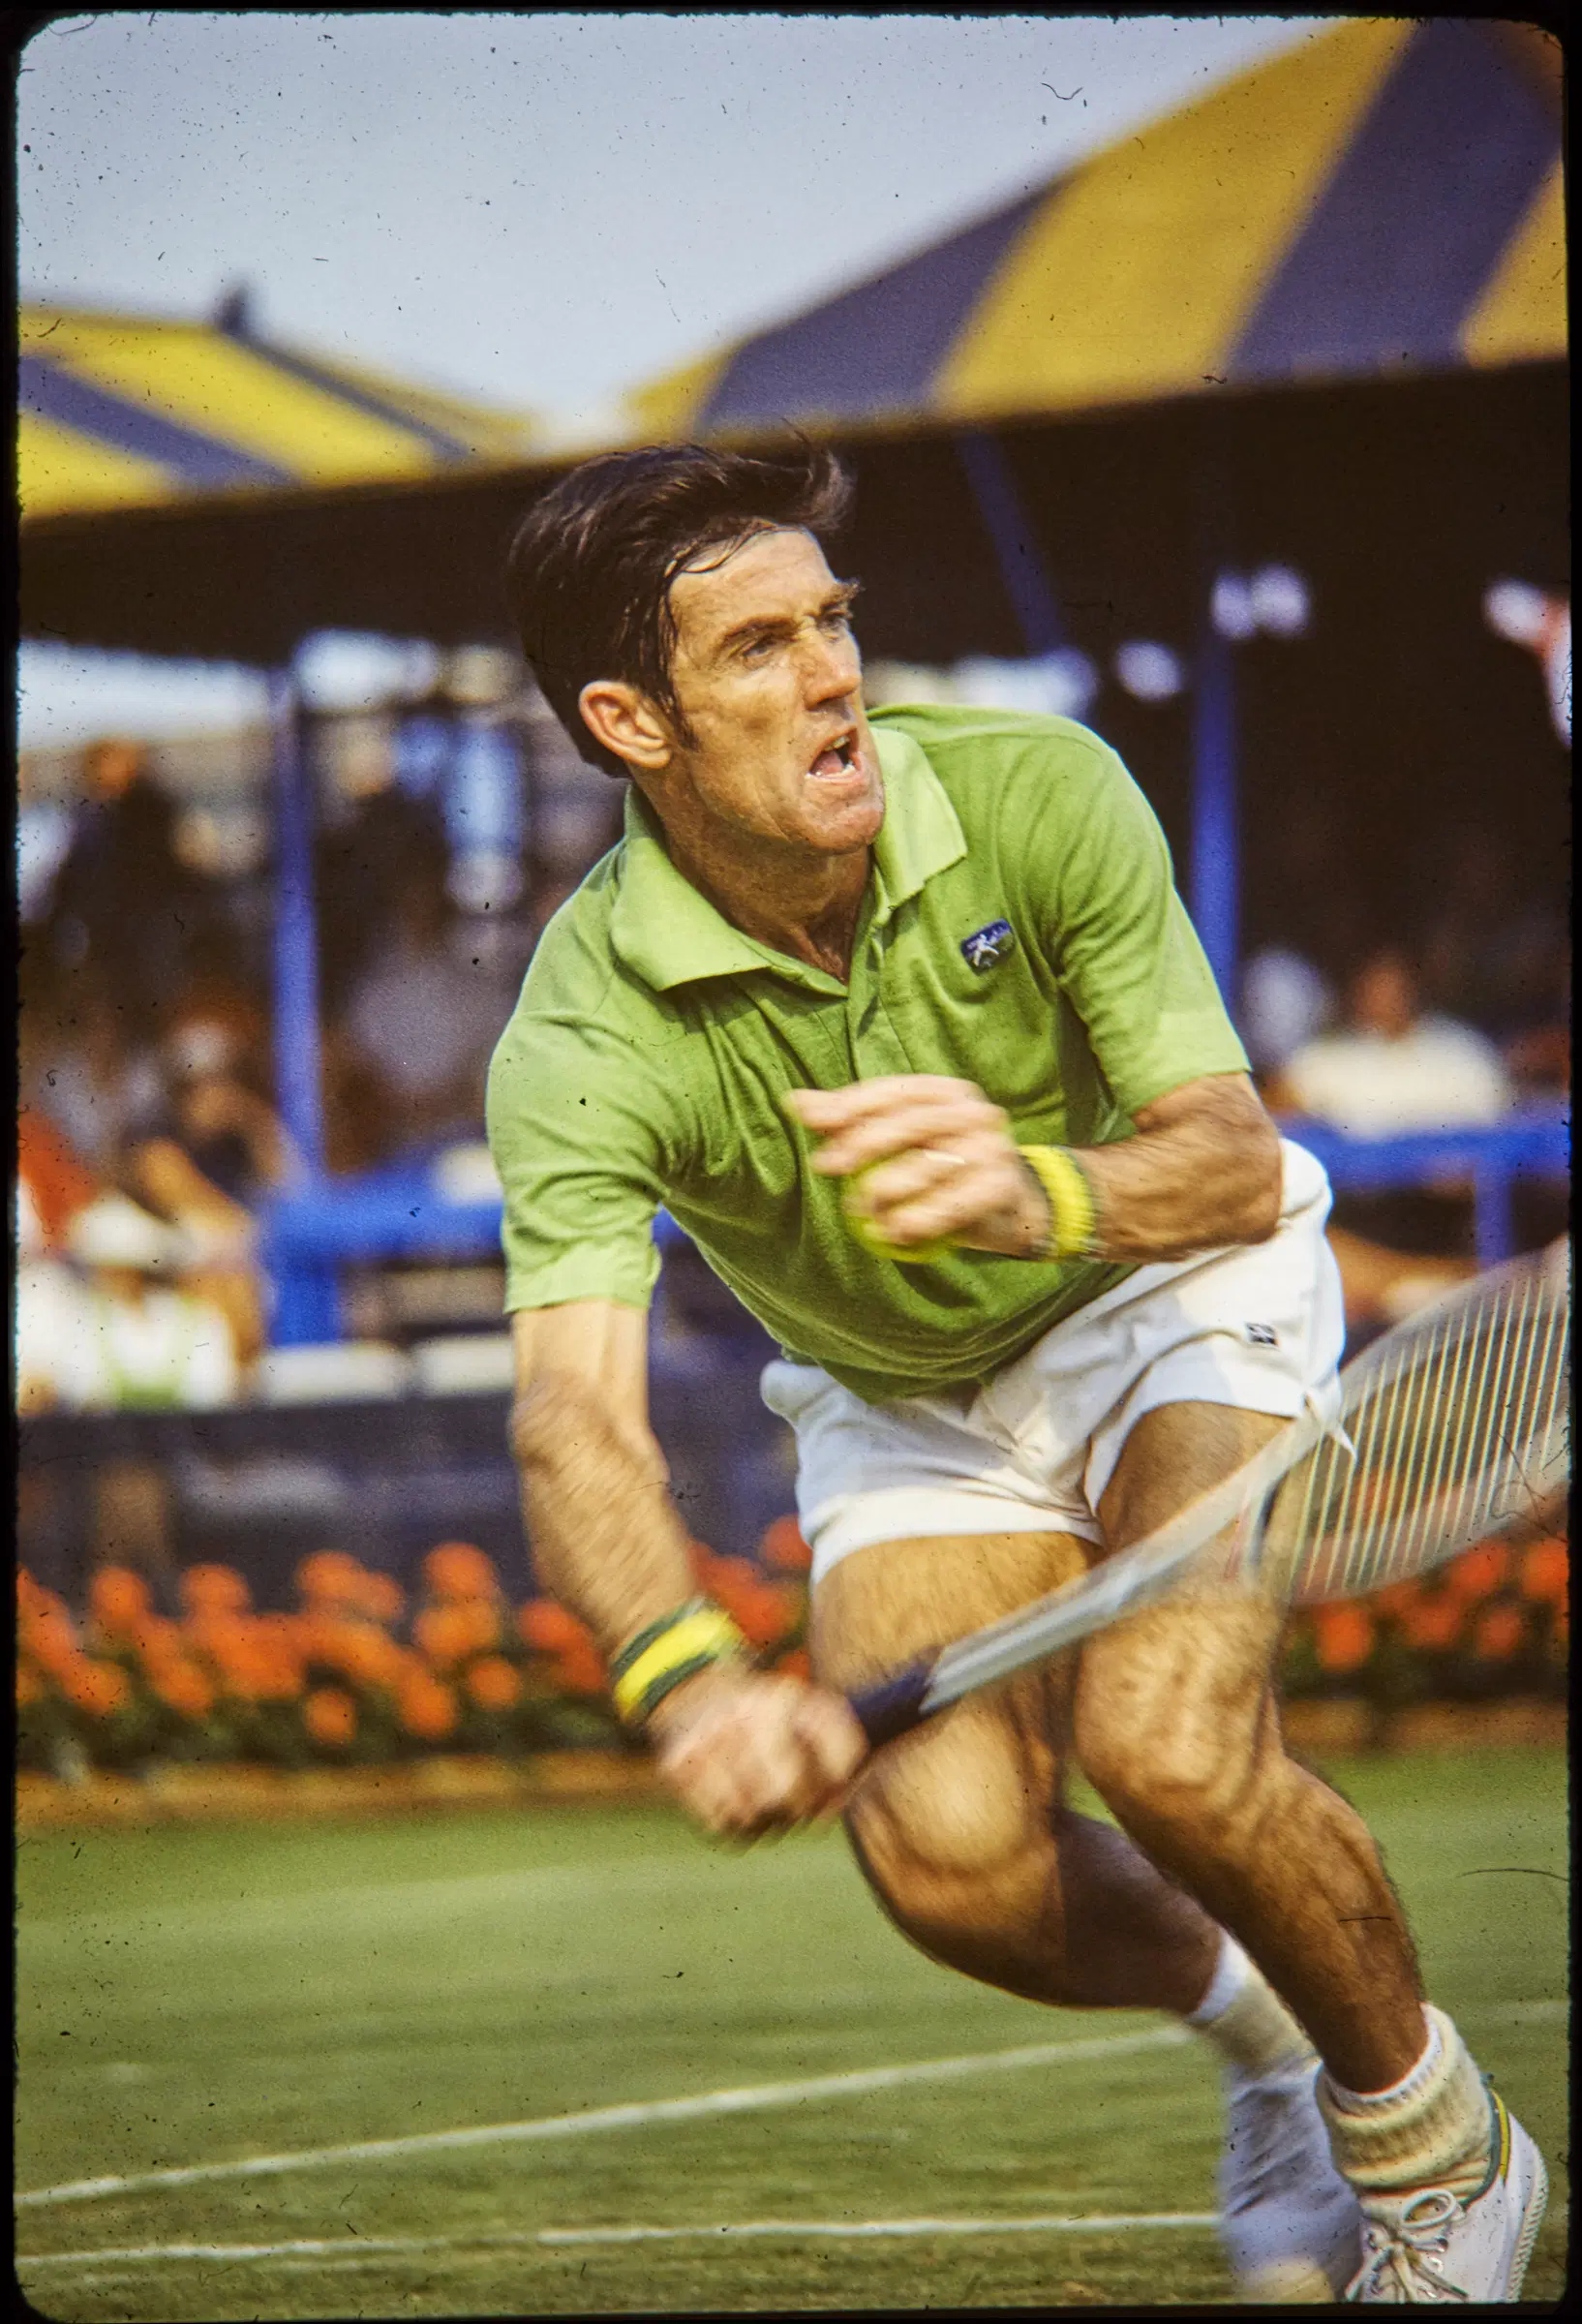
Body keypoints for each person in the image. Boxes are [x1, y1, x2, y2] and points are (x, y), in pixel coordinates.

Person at [487, 443, 1545, 2305]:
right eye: (756, 649)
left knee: (1164, 1746)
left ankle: (1443, 2161)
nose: (831, 675)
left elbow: (1228, 1162)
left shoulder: (1035, 789)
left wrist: (1033, 1189)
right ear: (628, 723)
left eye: (831, 621)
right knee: (948, 1855)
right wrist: (689, 1686)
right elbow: (574, 1413)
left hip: (1165, 1281)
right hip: (901, 1398)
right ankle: (1271, 2038)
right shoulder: (579, 1033)